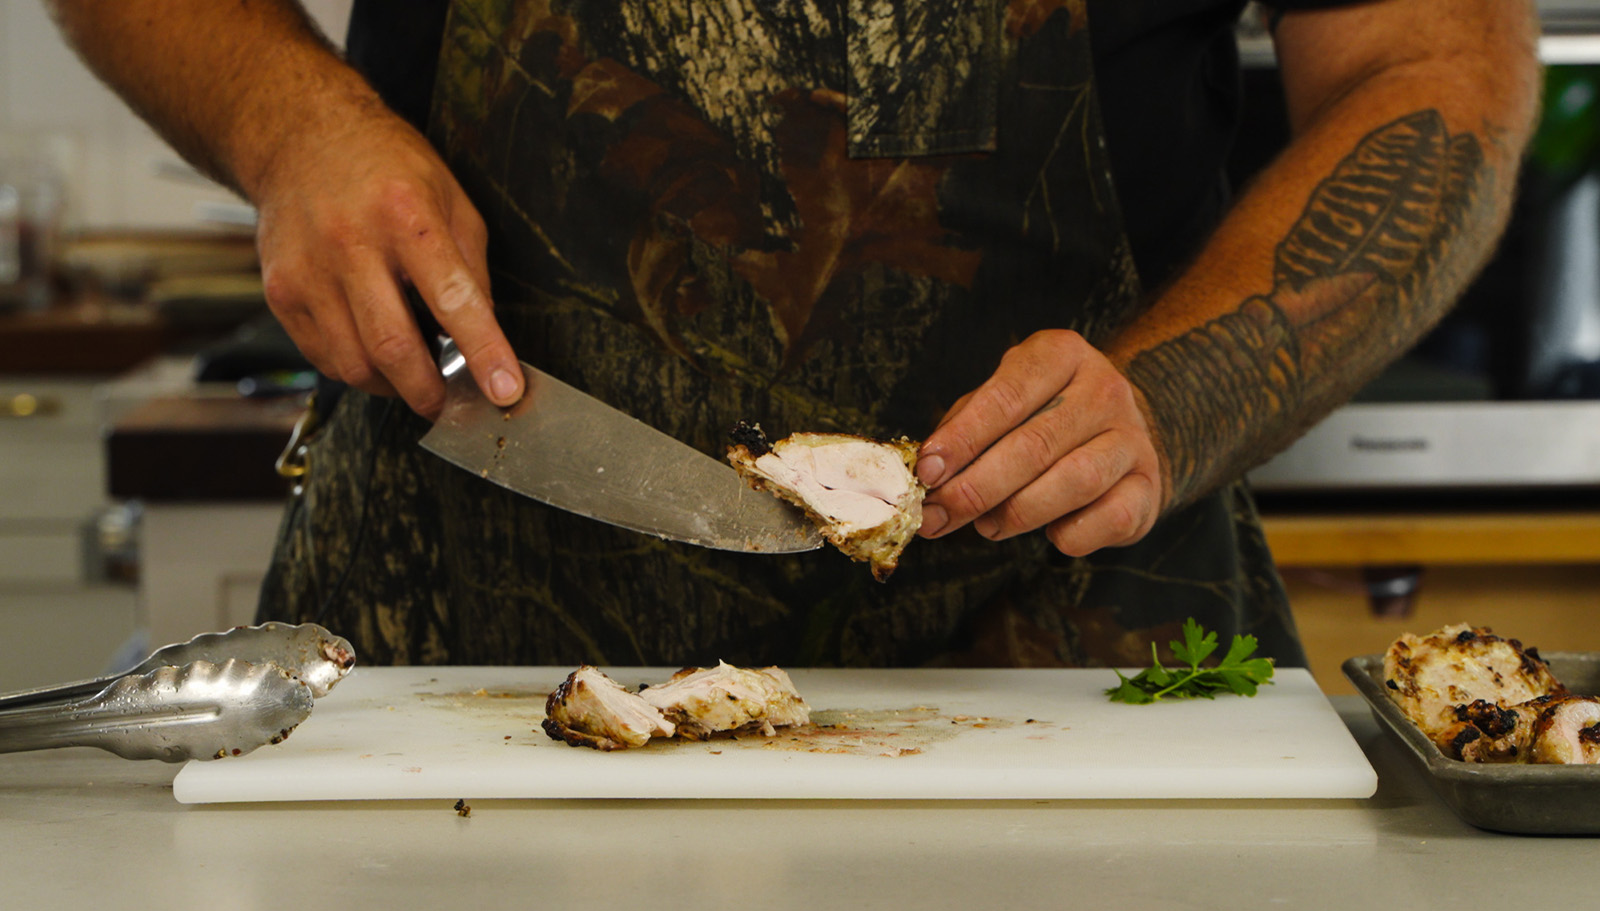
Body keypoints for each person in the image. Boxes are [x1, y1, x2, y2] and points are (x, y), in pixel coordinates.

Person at [48, 0, 1539, 669]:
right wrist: (290, 123)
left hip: (1079, 631)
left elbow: (1436, 60)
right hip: (468, 620)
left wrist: (1180, 393)